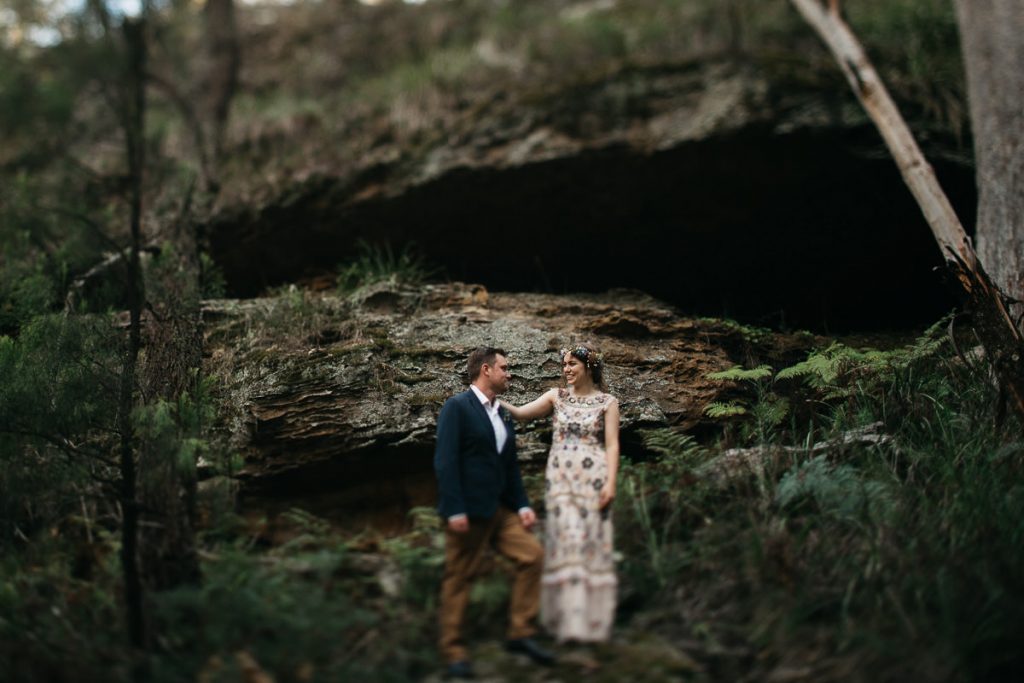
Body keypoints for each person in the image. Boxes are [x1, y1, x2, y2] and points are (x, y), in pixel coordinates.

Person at [434, 346, 555, 679]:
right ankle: (454, 651)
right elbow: (445, 462)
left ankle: (521, 633)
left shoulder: (501, 412)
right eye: (504, 367)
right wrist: (455, 508)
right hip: (468, 513)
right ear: (485, 370)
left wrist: (523, 505)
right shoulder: (457, 407)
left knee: (532, 557)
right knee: (459, 578)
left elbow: (509, 467)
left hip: (501, 512)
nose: (509, 373)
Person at [501, 343, 620, 643]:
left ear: (588, 367)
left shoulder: (608, 402)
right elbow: (521, 413)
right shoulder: (557, 396)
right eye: (564, 364)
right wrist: (493, 401)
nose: (566, 369)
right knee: (567, 542)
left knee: (589, 544)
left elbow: (612, 445)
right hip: (561, 480)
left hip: (593, 480)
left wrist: (611, 483)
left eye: (572, 364)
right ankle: (564, 623)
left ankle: (590, 624)